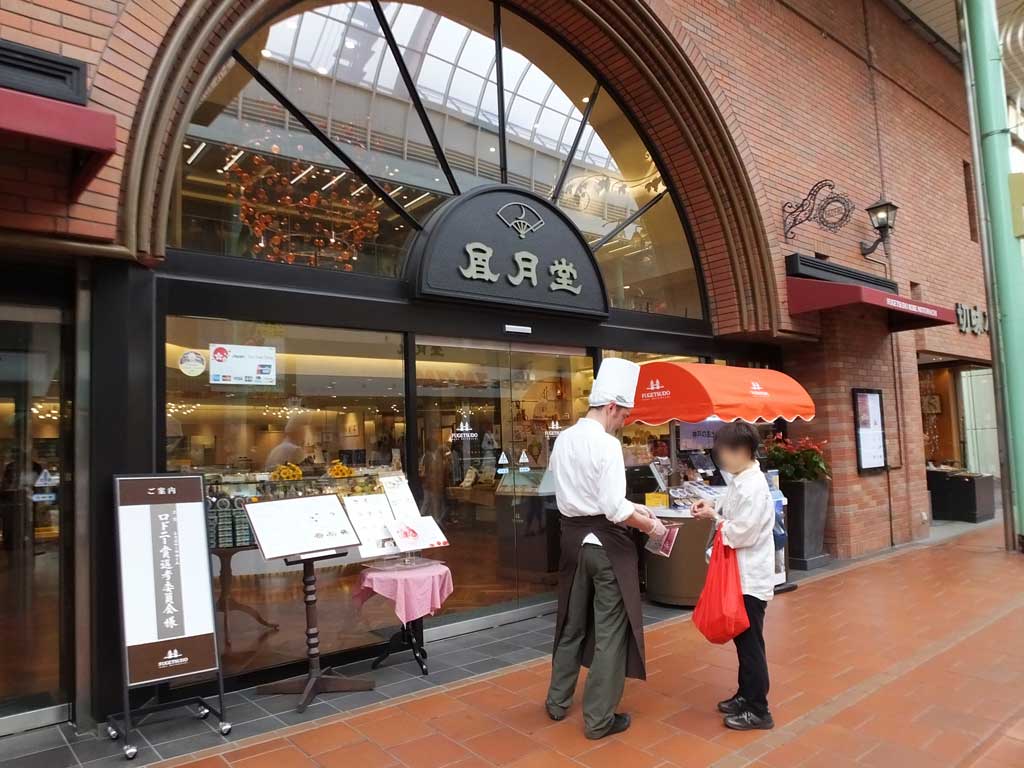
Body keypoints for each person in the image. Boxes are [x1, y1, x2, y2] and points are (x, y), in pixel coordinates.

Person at [545, 357, 668, 740]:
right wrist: (652, 525)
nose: (625, 422)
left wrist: (636, 508)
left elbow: (570, 494)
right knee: (612, 630)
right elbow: (613, 508)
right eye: (625, 415)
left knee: (570, 622)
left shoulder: (563, 439)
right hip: (606, 550)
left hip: (572, 544)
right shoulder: (607, 445)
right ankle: (599, 719)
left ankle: (557, 701)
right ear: (611, 406)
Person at [692, 422, 776, 731]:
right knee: (744, 641)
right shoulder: (742, 479)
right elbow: (730, 510)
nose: (720, 459)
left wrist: (715, 517)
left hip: (749, 578)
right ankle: (746, 695)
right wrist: (712, 506)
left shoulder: (753, 486)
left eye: (723, 453)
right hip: (740, 575)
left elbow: (743, 532)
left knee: (750, 643)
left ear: (741, 451)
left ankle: (758, 708)